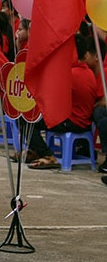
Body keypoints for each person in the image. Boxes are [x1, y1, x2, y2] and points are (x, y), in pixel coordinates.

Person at [27, 34, 103, 170]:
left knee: (27, 121)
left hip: (72, 122)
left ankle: (47, 155)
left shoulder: (70, 74)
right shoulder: (89, 73)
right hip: (83, 122)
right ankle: (36, 151)